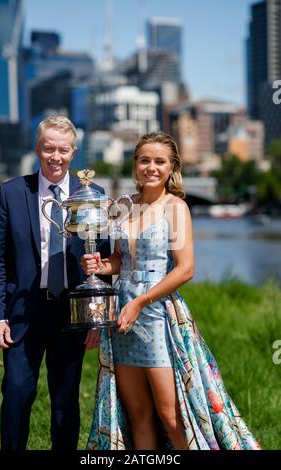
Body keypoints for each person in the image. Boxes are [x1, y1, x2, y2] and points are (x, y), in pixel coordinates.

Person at [81, 132, 261, 450]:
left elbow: (185, 268)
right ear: (135, 165)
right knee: (137, 413)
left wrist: (142, 301)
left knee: (170, 415)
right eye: (144, 160)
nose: (151, 167)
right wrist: (100, 266)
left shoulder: (175, 208)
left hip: (155, 315)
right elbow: (122, 260)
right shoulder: (123, 206)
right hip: (121, 314)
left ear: (171, 167)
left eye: (159, 161)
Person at [0, 115, 110, 450]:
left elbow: (104, 261)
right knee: (16, 396)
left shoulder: (93, 194)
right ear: (38, 148)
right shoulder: (12, 191)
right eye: (49, 148)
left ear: (74, 152)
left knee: (66, 402)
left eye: (63, 150)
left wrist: (96, 319)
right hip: (23, 312)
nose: (56, 157)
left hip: (72, 314)